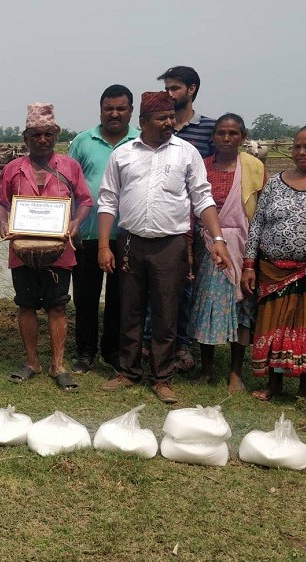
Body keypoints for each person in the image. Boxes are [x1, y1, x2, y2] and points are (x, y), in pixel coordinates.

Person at [97, 92, 230, 403]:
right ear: (143, 122)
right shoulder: (123, 154)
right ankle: (128, 372)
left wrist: (218, 240)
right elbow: (107, 200)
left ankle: (162, 378)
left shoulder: (186, 153)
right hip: (130, 242)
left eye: (171, 116)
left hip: (171, 245)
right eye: (162, 118)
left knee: (166, 313)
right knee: (129, 310)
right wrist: (104, 246)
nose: (170, 122)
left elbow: (203, 198)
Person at [0, 103, 93, 391]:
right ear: (26, 138)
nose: (42, 140)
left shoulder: (70, 167)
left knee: (58, 306)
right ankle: (32, 361)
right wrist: (2, 222)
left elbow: (85, 200)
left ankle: (58, 365)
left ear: (56, 135)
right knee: (26, 306)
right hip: (21, 249)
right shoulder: (13, 169)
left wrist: (75, 222)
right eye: (35, 134)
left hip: (61, 249)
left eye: (48, 134)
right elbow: (0, 202)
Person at [245, 126, 306, 411]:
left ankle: (305, 389)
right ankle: (273, 384)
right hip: (271, 269)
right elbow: (257, 223)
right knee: (271, 326)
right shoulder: (275, 182)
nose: (301, 152)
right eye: (297, 146)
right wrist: (249, 265)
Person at [145, 65, 220, 373]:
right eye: (166, 89)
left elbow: (216, 171)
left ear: (191, 90)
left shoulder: (209, 129)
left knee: (189, 285)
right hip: (163, 220)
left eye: (174, 88)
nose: (169, 94)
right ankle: (152, 344)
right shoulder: (157, 128)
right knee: (158, 286)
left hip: (196, 223)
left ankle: (181, 346)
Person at [187, 114, 265, 393]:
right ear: (213, 137)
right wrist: (191, 250)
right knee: (207, 306)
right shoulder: (202, 167)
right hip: (208, 245)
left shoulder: (254, 167)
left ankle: (235, 372)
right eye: (221, 133)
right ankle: (206, 369)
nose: (227, 138)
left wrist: (253, 257)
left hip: (243, 243)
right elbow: (192, 210)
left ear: (243, 137)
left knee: (241, 307)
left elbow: (261, 212)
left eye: (233, 133)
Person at [68, 84, 138, 373]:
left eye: (121, 108)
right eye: (109, 108)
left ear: (131, 111)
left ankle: (112, 352)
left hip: (126, 237)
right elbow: (67, 184)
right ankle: (85, 352)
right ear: (100, 110)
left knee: (119, 298)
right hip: (86, 233)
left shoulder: (140, 141)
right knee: (84, 297)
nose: (114, 113)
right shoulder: (83, 141)